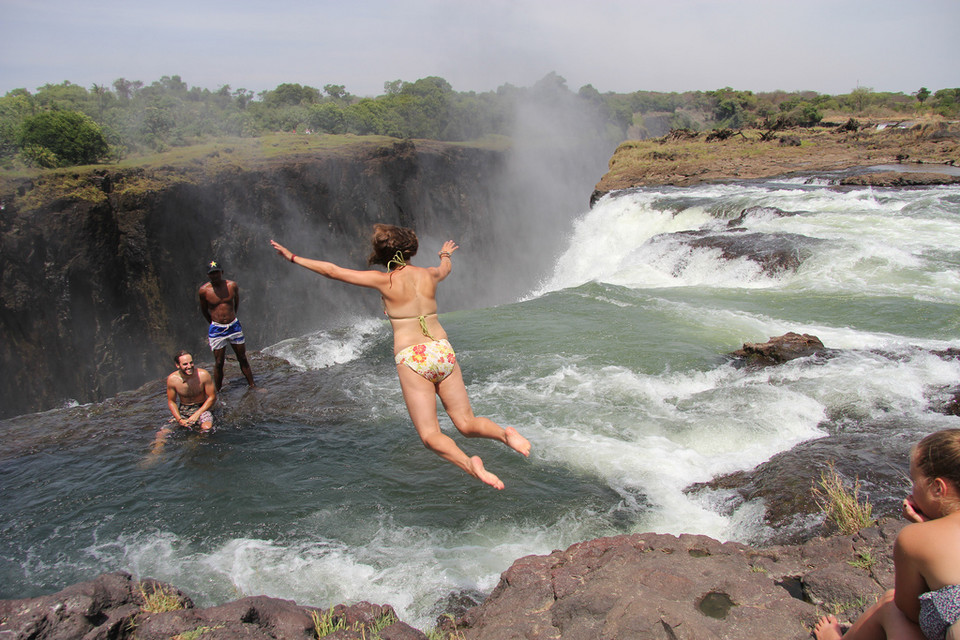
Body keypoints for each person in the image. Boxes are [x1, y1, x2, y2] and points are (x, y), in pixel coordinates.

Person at [270, 224, 531, 490]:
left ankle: (470, 465)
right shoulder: (429, 274)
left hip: (413, 357)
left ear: (383, 254)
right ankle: (505, 435)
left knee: (430, 435)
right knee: (466, 422)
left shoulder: (385, 280)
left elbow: (333, 271)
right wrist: (444, 254)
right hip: (442, 349)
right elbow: (445, 270)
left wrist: (293, 257)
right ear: (410, 250)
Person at [814, 428, 960, 640]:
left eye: (914, 480)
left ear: (938, 488)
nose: (911, 490)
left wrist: (925, 531)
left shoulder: (914, 539)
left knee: (890, 606)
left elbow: (909, 610)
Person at [199, 260, 255, 391]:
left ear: (222, 272)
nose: (215, 276)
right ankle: (217, 392)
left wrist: (231, 318)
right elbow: (204, 310)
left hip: (233, 326)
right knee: (219, 362)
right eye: (212, 274)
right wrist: (215, 323)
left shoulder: (232, 286)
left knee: (242, 357)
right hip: (217, 328)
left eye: (217, 273)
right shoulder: (204, 291)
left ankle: (252, 385)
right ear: (208, 275)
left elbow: (236, 303)